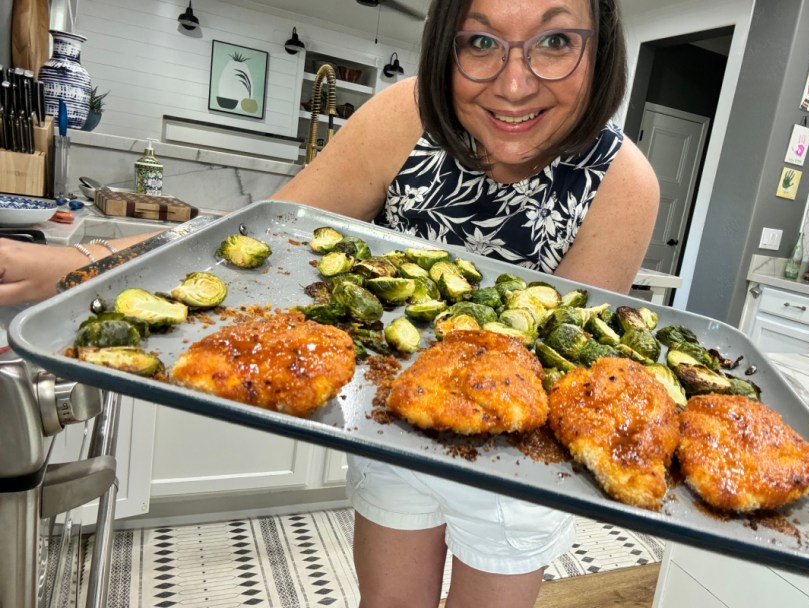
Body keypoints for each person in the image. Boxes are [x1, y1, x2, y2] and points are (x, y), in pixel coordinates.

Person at [0, 1, 658, 606]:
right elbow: (255, 236)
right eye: (482, 40)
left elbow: (567, 378)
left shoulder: (623, 183)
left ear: (600, 49)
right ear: (446, 43)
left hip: (517, 463)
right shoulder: (407, 118)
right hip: (393, 423)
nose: (513, 84)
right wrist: (74, 268)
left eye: (555, 40)